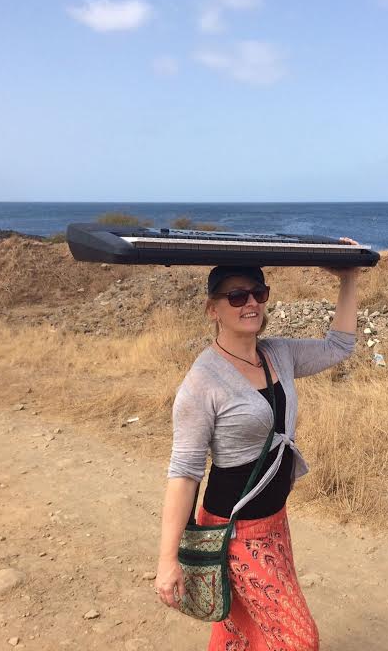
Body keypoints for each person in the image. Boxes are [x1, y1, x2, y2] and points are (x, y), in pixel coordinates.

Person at [155, 238, 360, 650]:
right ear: (212, 309)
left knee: (240, 628)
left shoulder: (277, 353)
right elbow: (185, 474)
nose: (250, 303)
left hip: (274, 522)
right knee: (298, 639)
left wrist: (349, 278)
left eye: (258, 293)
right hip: (234, 532)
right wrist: (167, 560)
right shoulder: (202, 383)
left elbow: (339, 345)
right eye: (236, 296)